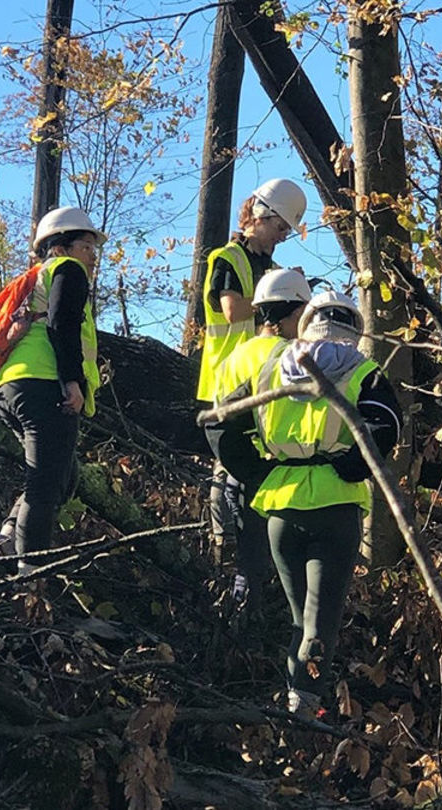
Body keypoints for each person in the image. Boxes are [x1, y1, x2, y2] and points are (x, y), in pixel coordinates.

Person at [206, 291, 402, 716]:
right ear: (356, 327)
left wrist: (257, 471)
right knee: (320, 620)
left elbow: (221, 424)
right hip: (336, 506)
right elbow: (388, 424)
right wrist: (354, 466)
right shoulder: (363, 370)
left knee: (300, 617)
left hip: (280, 506)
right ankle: (304, 709)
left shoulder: (272, 368)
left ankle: (295, 694)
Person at [196, 178, 307, 594]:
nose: (282, 238)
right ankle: (224, 550)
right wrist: (274, 298)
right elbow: (230, 310)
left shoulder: (271, 267)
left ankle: (253, 557)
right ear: (260, 215)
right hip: (228, 381)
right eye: (280, 228)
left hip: (264, 382)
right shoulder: (229, 257)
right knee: (228, 471)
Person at [0, 206, 105, 573]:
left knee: (63, 475)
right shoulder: (67, 270)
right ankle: (29, 577)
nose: (93, 257)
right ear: (62, 245)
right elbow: (62, 325)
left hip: (11, 388)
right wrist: (71, 381)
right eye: (88, 247)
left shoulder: (38, 277)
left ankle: (10, 535)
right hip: (44, 385)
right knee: (44, 484)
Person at [210, 268, 312, 608]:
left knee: (242, 563)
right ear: (296, 312)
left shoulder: (233, 357)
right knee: (274, 569)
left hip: (230, 470)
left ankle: (237, 632)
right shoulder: (290, 358)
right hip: (270, 474)